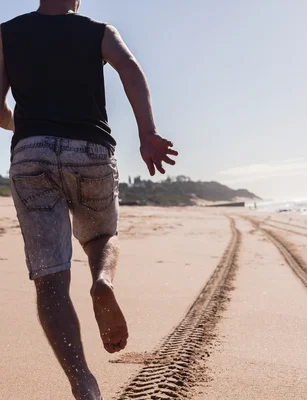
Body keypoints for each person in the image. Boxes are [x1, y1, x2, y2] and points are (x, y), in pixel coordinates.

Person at [0, 0, 178, 398]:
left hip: (31, 154)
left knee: (50, 280)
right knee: (100, 238)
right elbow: (130, 67)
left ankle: (83, 383)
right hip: (91, 150)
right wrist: (147, 133)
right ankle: (102, 281)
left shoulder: (7, 33)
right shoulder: (98, 30)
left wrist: (26, 125)